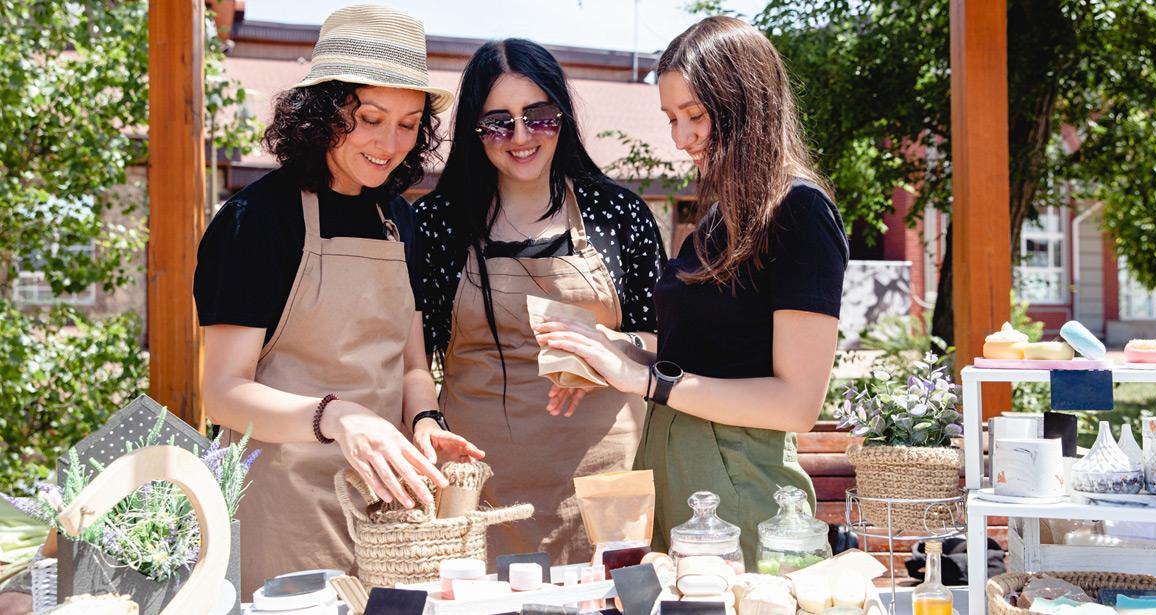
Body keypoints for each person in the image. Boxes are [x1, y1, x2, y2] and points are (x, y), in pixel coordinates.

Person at [535, 16, 848, 569]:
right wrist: (605, 349)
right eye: (671, 118)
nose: (681, 139)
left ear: (746, 105)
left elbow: (797, 404)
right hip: (673, 464)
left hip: (741, 480)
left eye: (696, 116)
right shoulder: (718, 218)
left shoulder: (799, 212)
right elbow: (702, 356)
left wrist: (646, 381)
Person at [193, 5, 483, 596]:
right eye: (370, 118)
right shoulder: (257, 220)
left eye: (408, 124)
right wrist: (338, 416)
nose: (389, 143)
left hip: (387, 512)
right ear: (323, 113)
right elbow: (223, 394)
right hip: (281, 506)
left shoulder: (399, 218)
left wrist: (425, 420)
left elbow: (408, 365)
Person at [415, 38, 666, 565]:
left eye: (539, 115)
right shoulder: (438, 222)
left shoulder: (619, 213)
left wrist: (601, 345)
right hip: (478, 484)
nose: (521, 136)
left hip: (604, 481)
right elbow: (413, 356)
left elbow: (662, 340)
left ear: (563, 116)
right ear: (474, 131)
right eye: (498, 122)